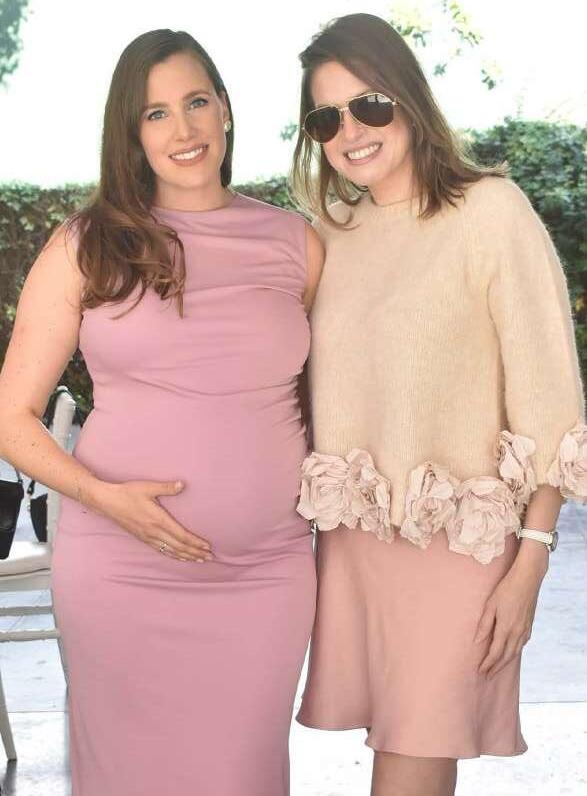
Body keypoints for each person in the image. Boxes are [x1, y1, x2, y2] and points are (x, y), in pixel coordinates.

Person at [0, 29, 323, 796]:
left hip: (265, 571)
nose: (183, 129)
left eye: (196, 102)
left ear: (226, 110)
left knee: (243, 777)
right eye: (156, 113)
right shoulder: (85, 245)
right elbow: (11, 413)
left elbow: (323, 401)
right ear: (131, 133)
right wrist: (104, 497)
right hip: (119, 568)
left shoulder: (296, 243)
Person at [291, 13, 585, 796]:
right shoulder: (329, 234)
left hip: (462, 549)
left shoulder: (492, 211)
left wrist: (529, 563)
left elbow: (550, 407)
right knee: (394, 752)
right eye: (325, 118)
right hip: (354, 547)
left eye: (369, 105)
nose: (350, 132)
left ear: (409, 98)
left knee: (411, 757)